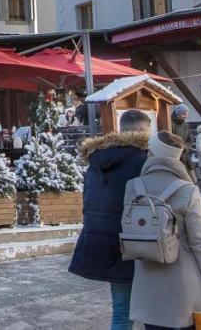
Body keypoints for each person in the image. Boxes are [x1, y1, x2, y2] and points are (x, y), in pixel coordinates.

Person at [128, 131, 201, 330]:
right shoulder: (188, 191)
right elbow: (200, 242)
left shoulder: (133, 188)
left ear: (151, 153)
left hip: (147, 282)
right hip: (184, 285)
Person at [68, 109, 152, 330]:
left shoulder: (97, 160)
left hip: (102, 240)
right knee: (157, 311)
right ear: (145, 130)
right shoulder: (143, 159)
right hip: (138, 242)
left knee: (122, 311)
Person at [170, 105, 195, 183]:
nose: (186, 116)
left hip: (185, 155)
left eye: (186, 114)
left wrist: (186, 146)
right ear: (178, 114)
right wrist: (178, 146)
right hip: (176, 156)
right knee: (183, 179)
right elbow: (169, 139)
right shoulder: (170, 123)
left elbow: (190, 140)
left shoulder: (185, 125)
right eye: (184, 114)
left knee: (193, 180)